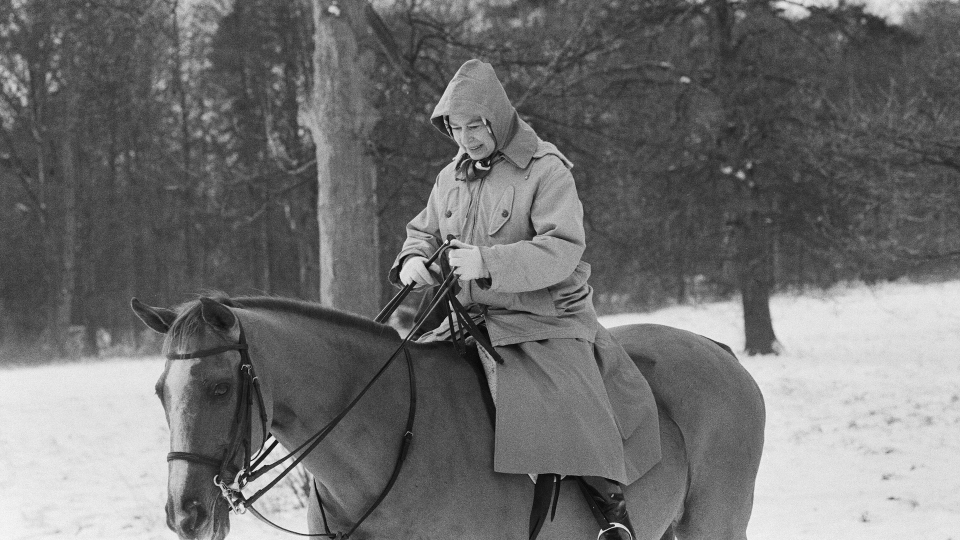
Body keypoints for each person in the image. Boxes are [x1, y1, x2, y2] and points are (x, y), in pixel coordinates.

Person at [389, 59, 661, 540]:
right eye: (456, 127)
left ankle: (611, 512)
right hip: (469, 317)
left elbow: (561, 249)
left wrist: (488, 263)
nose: (467, 138)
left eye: (476, 125)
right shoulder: (449, 178)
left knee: (563, 400)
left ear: (497, 118)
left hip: (543, 316)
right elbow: (424, 231)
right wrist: (413, 258)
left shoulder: (546, 171)